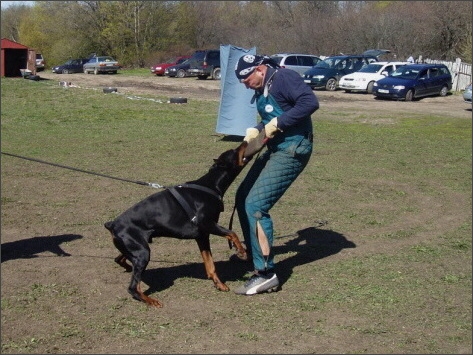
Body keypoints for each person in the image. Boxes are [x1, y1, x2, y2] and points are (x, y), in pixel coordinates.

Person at [232, 54, 319, 295]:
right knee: (242, 196)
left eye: (247, 79)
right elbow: (272, 116)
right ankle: (254, 253)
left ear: (260, 69)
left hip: (293, 148)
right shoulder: (264, 85)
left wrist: (277, 123)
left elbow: (309, 103)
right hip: (275, 146)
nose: (245, 84)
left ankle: (266, 274)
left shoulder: (285, 78)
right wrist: (258, 129)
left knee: (255, 206)